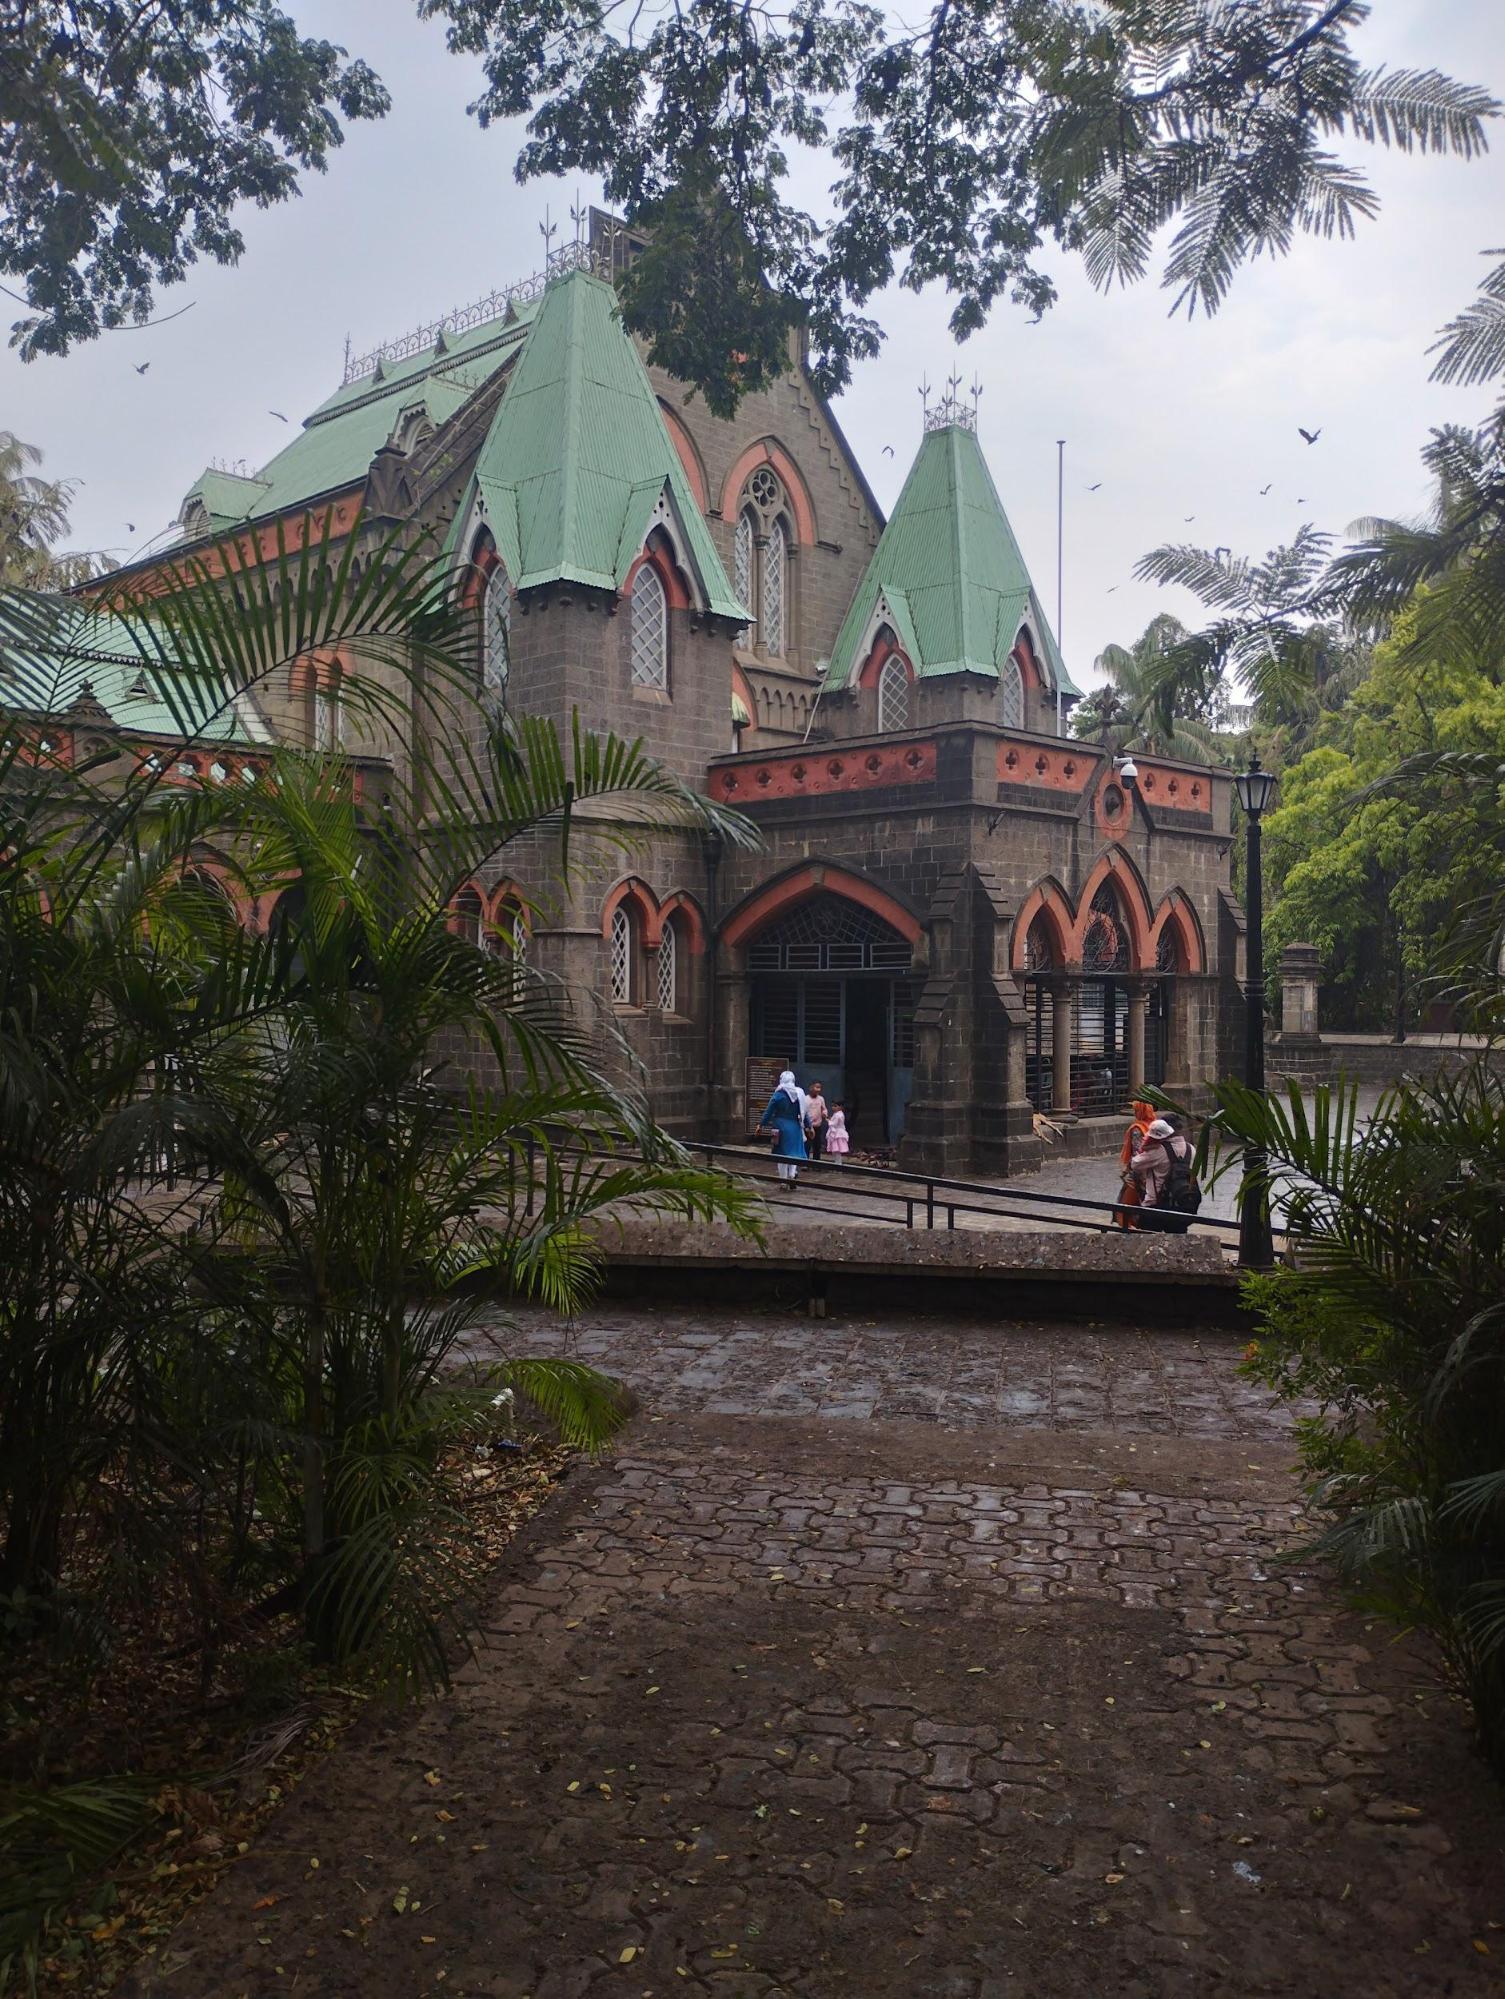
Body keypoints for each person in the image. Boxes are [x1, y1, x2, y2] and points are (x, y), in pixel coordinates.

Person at [1129, 1116, 1198, 1233]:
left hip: (1156, 1206)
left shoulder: (1159, 1150)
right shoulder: (1191, 1149)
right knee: (1178, 1244)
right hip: (1182, 1204)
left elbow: (1135, 1164)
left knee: (1149, 1243)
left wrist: (1147, 1147)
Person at [758, 1069, 809, 1188]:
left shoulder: (778, 1094)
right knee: (793, 1154)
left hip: (780, 1126)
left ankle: (783, 1181)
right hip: (795, 1127)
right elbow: (805, 1113)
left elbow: (768, 1112)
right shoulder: (799, 1094)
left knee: (781, 1154)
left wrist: (761, 1125)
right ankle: (792, 1175)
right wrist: (809, 1127)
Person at [1116, 1099, 1157, 1229]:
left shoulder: (1137, 1129)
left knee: (1125, 1201)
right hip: (1155, 1168)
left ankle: (1127, 1224)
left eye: (1136, 1110)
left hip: (1140, 1170)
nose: (1134, 1113)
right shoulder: (1155, 1126)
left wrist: (1128, 1170)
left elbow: (1137, 1152)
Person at [804, 1080, 829, 1160]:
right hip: (808, 1126)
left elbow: (824, 1109)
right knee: (807, 1145)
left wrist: (824, 1114)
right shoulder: (805, 1099)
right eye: (816, 1087)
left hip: (817, 1126)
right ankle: (805, 1162)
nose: (818, 1089)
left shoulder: (821, 1099)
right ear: (811, 1088)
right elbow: (803, 1112)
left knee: (817, 1145)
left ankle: (816, 1163)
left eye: (820, 1088)